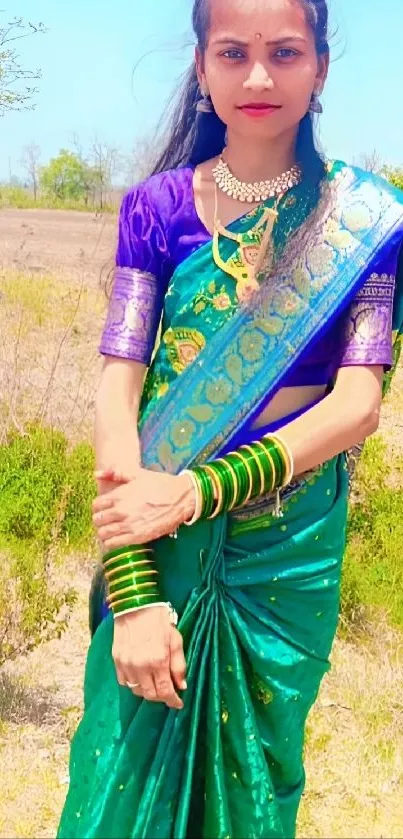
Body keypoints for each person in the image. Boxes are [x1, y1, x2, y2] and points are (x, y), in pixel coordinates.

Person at [58, 0, 403, 836]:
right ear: (202, 65)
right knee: (122, 778)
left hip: (281, 554)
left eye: (284, 52)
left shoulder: (367, 221)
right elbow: (117, 393)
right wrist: (134, 595)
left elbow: (355, 406)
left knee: (256, 777)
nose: (257, 76)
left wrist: (190, 493)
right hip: (156, 543)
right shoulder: (155, 210)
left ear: (319, 67)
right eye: (232, 52)